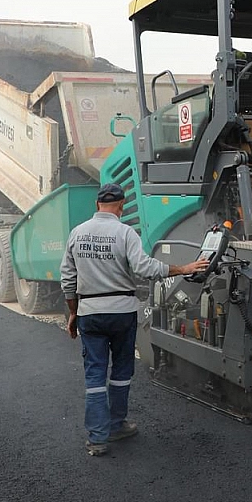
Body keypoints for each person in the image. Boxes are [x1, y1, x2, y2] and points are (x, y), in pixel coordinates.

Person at [61, 183, 209, 457]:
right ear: (121, 206)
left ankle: (97, 439)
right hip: (121, 311)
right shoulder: (125, 233)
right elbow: (144, 268)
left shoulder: (77, 233)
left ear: (97, 205)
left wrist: (73, 312)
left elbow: (68, 280)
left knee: (95, 373)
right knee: (120, 372)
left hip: (90, 312)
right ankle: (117, 425)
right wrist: (183, 268)